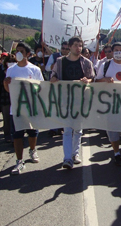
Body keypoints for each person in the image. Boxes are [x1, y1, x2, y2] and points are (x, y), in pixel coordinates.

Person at [51, 36, 95, 170]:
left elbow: (92, 78)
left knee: (78, 130)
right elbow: (53, 76)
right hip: (65, 101)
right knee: (67, 130)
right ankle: (67, 158)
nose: (78, 48)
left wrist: (88, 80)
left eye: (80, 45)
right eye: (75, 45)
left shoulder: (87, 63)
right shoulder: (60, 62)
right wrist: (53, 78)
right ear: (69, 47)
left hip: (81, 101)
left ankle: (75, 154)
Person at [4, 43, 44, 175]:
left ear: (28, 54)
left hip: (31, 108)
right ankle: (19, 161)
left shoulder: (35, 70)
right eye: (17, 51)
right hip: (16, 109)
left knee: (32, 133)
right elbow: (9, 90)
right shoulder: (11, 70)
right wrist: (6, 83)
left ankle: (32, 150)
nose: (18, 53)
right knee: (17, 135)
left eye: (21, 51)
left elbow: (41, 87)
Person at [95, 42, 121, 167]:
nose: (118, 52)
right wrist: (104, 80)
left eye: (120, 50)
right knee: (112, 130)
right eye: (115, 50)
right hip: (110, 103)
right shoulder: (105, 65)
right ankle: (116, 154)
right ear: (112, 52)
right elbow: (96, 81)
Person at [0, 54, 17, 143]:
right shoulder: (2, 73)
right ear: (5, 63)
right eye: (9, 62)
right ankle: (7, 135)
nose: (11, 63)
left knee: (15, 118)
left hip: (15, 99)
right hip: (4, 98)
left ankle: (16, 135)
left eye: (13, 62)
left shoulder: (17, 72)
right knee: (6, 118)